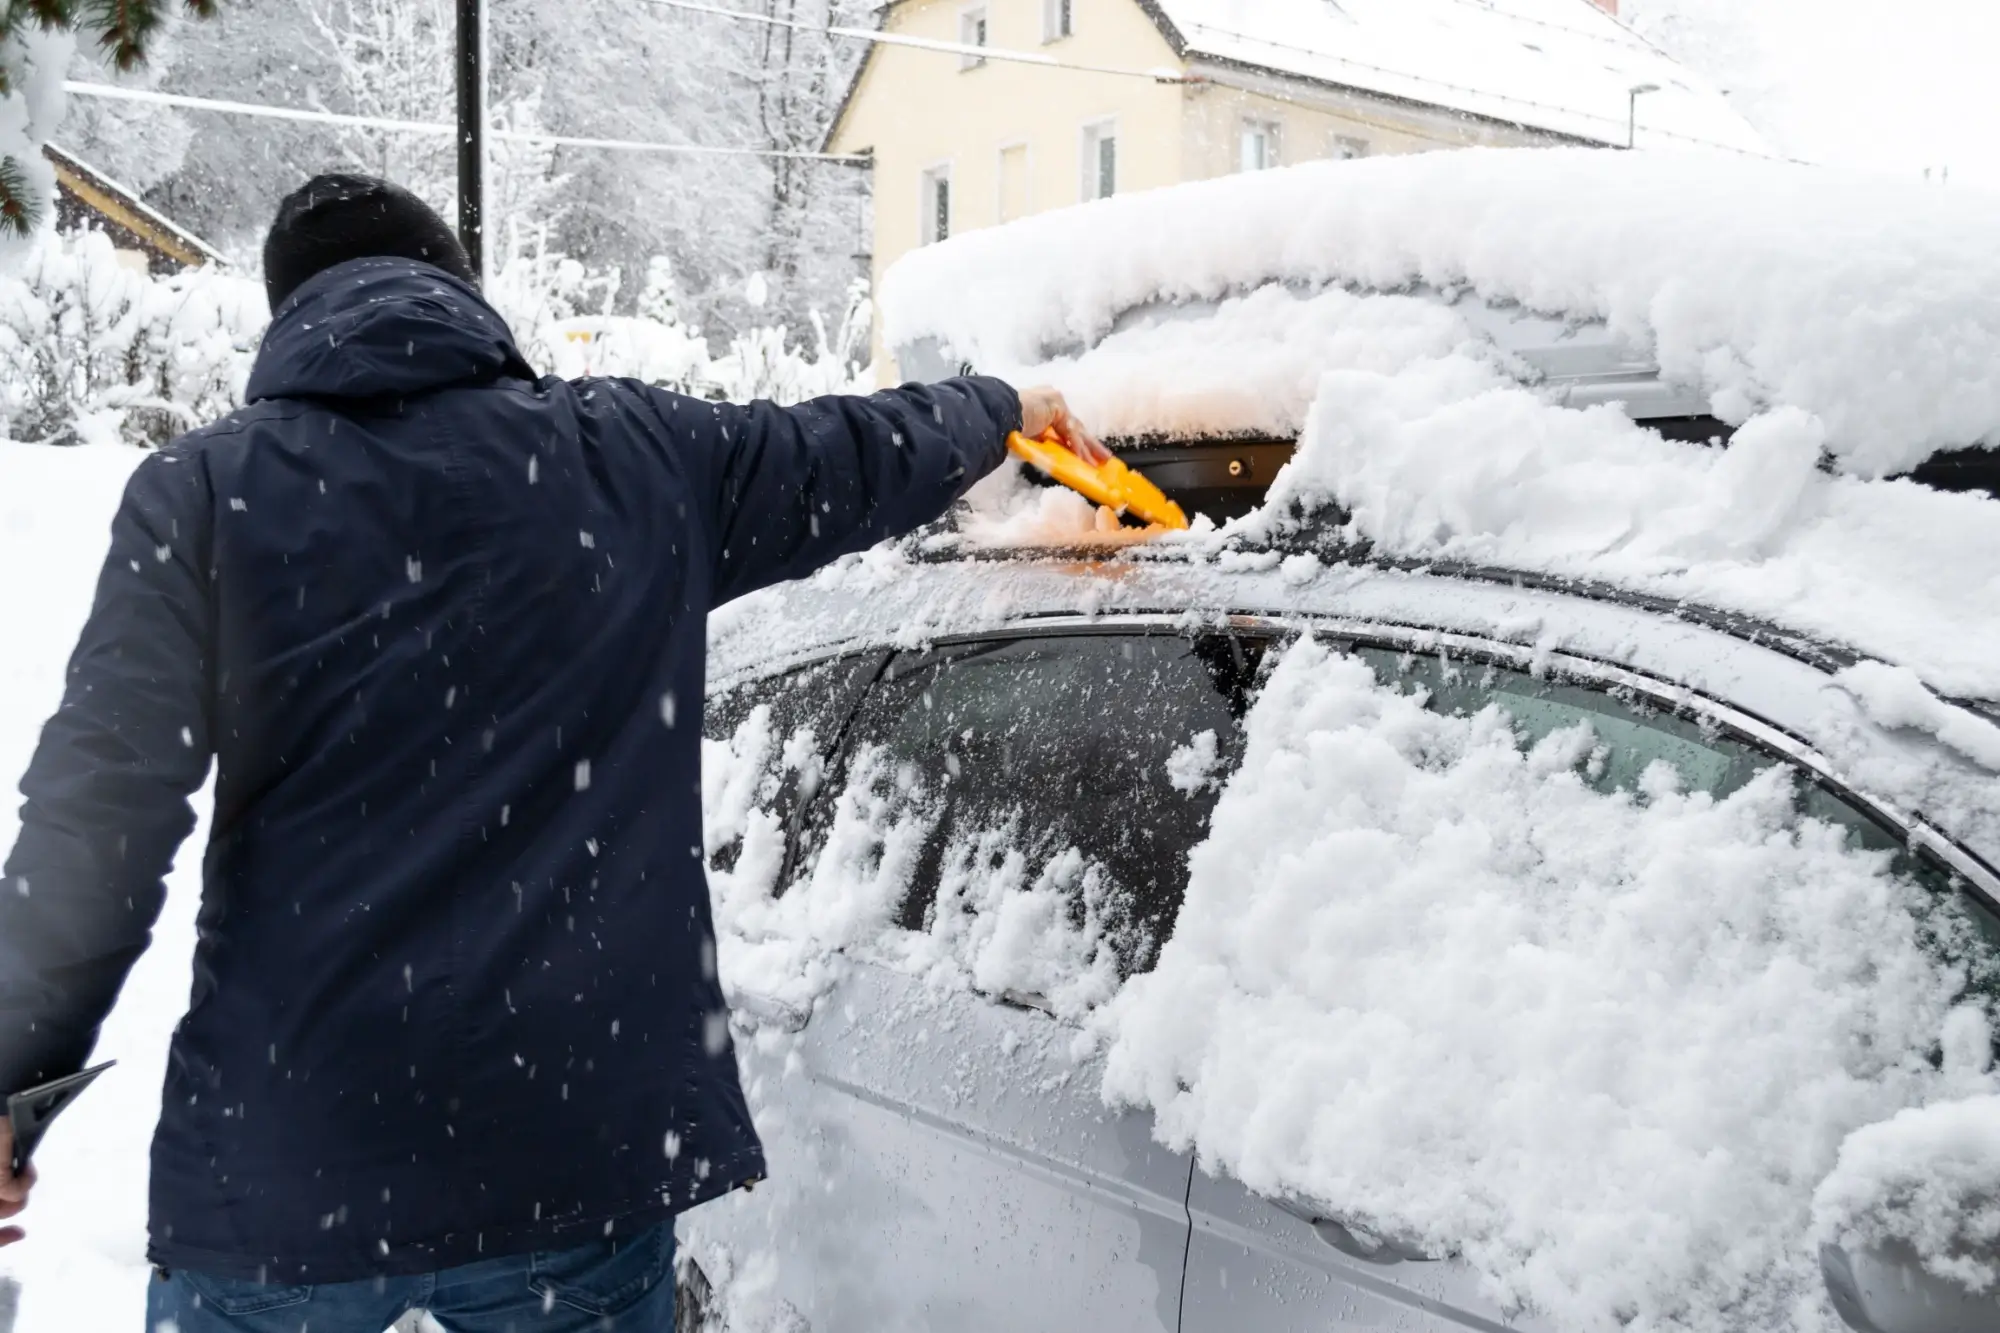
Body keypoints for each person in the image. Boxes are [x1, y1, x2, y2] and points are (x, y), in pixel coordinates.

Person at [0, 173, 1106, 1331]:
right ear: (460, 295)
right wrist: (996, 408)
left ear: (289, 320)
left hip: (289, 1168)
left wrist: (15, 1079)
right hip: (569, 1160)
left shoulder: (204, 495)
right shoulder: (631, 455)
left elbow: (99, 820)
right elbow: (849, 450)